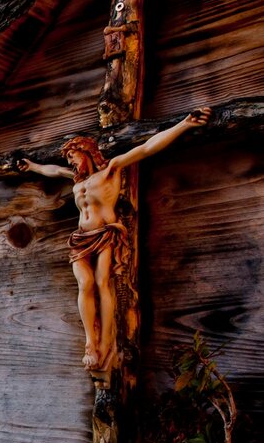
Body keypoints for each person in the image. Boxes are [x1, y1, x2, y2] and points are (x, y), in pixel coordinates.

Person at [17, 107, 210, 371]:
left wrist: (184, 125)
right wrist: (32, 166)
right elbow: (51, 170)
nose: (71, 163)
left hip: (106, 234)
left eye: (73, 156)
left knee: (102, 282)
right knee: (85, 284)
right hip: (81, 237)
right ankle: (90, 342)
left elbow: (145, 148)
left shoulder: (111, 170)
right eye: (69, 159)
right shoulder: (75, 180)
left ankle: (106, 341)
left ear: (86, 152)